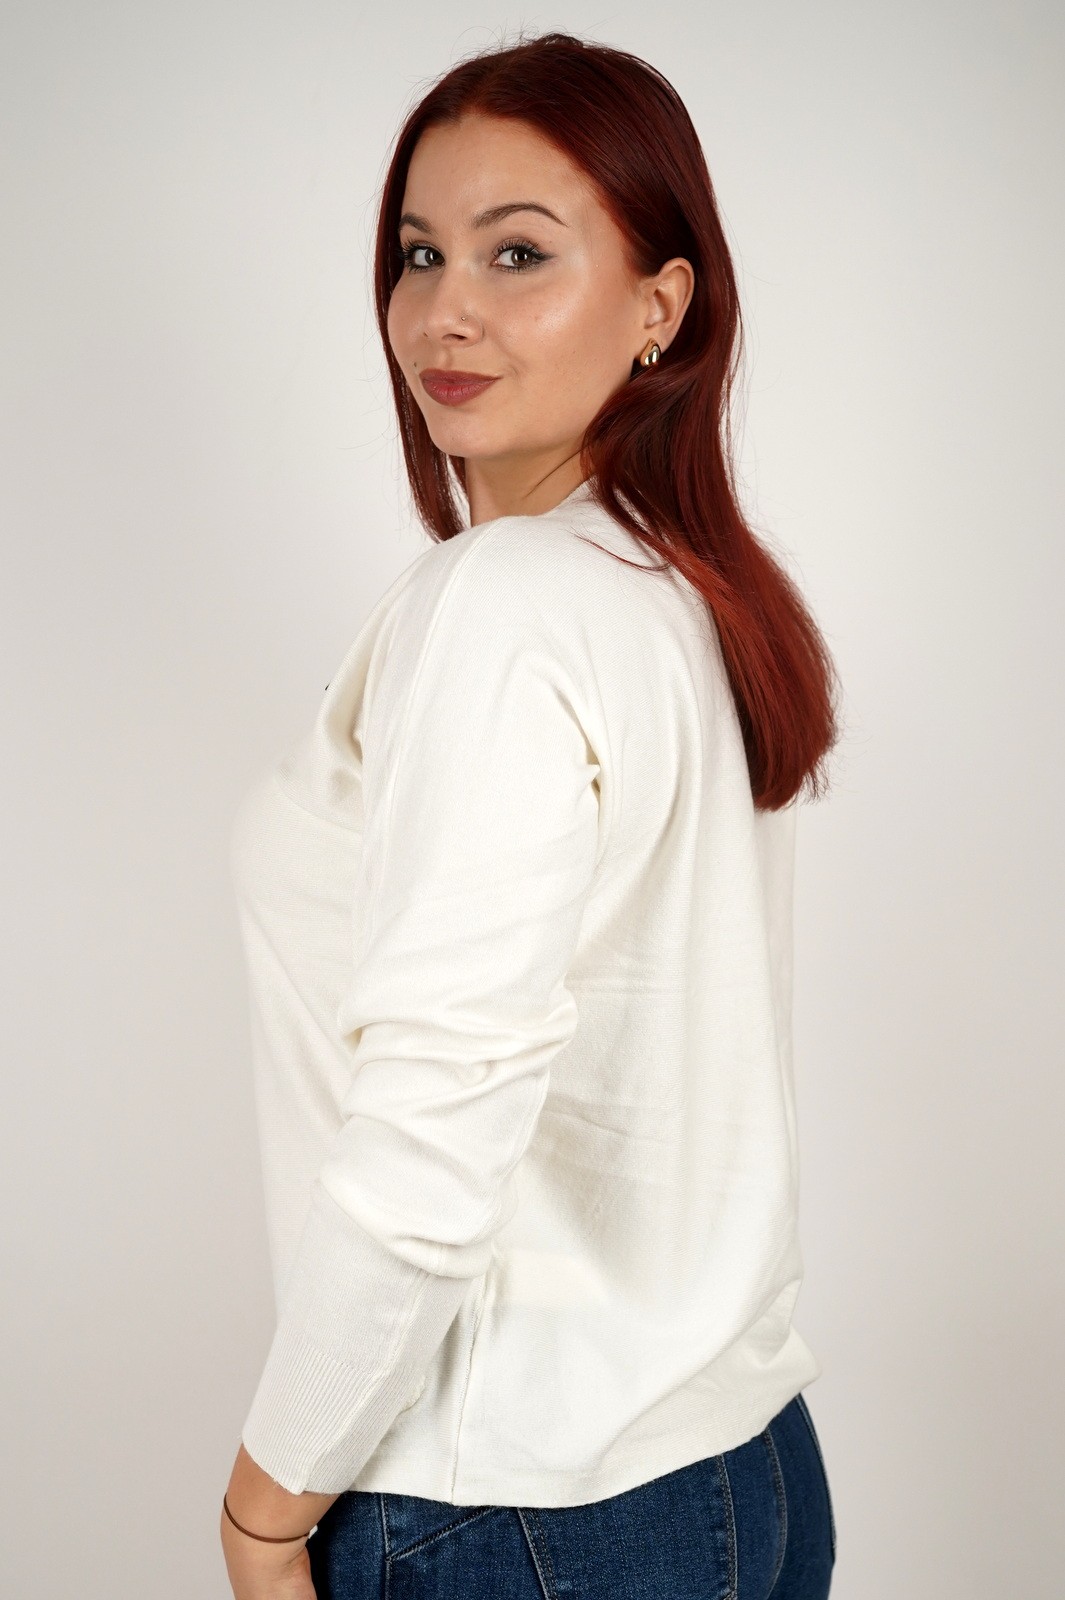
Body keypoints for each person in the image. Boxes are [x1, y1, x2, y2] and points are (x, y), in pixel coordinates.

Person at [219, 30, 841, 1600]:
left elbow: (437, 1120)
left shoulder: (505, 603)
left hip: (518, 1502)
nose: (446, 309)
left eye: (517, 253)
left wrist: (267, 1504)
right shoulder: (681, 593)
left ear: (659, 305)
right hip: (745, 1466)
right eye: (419, 252)